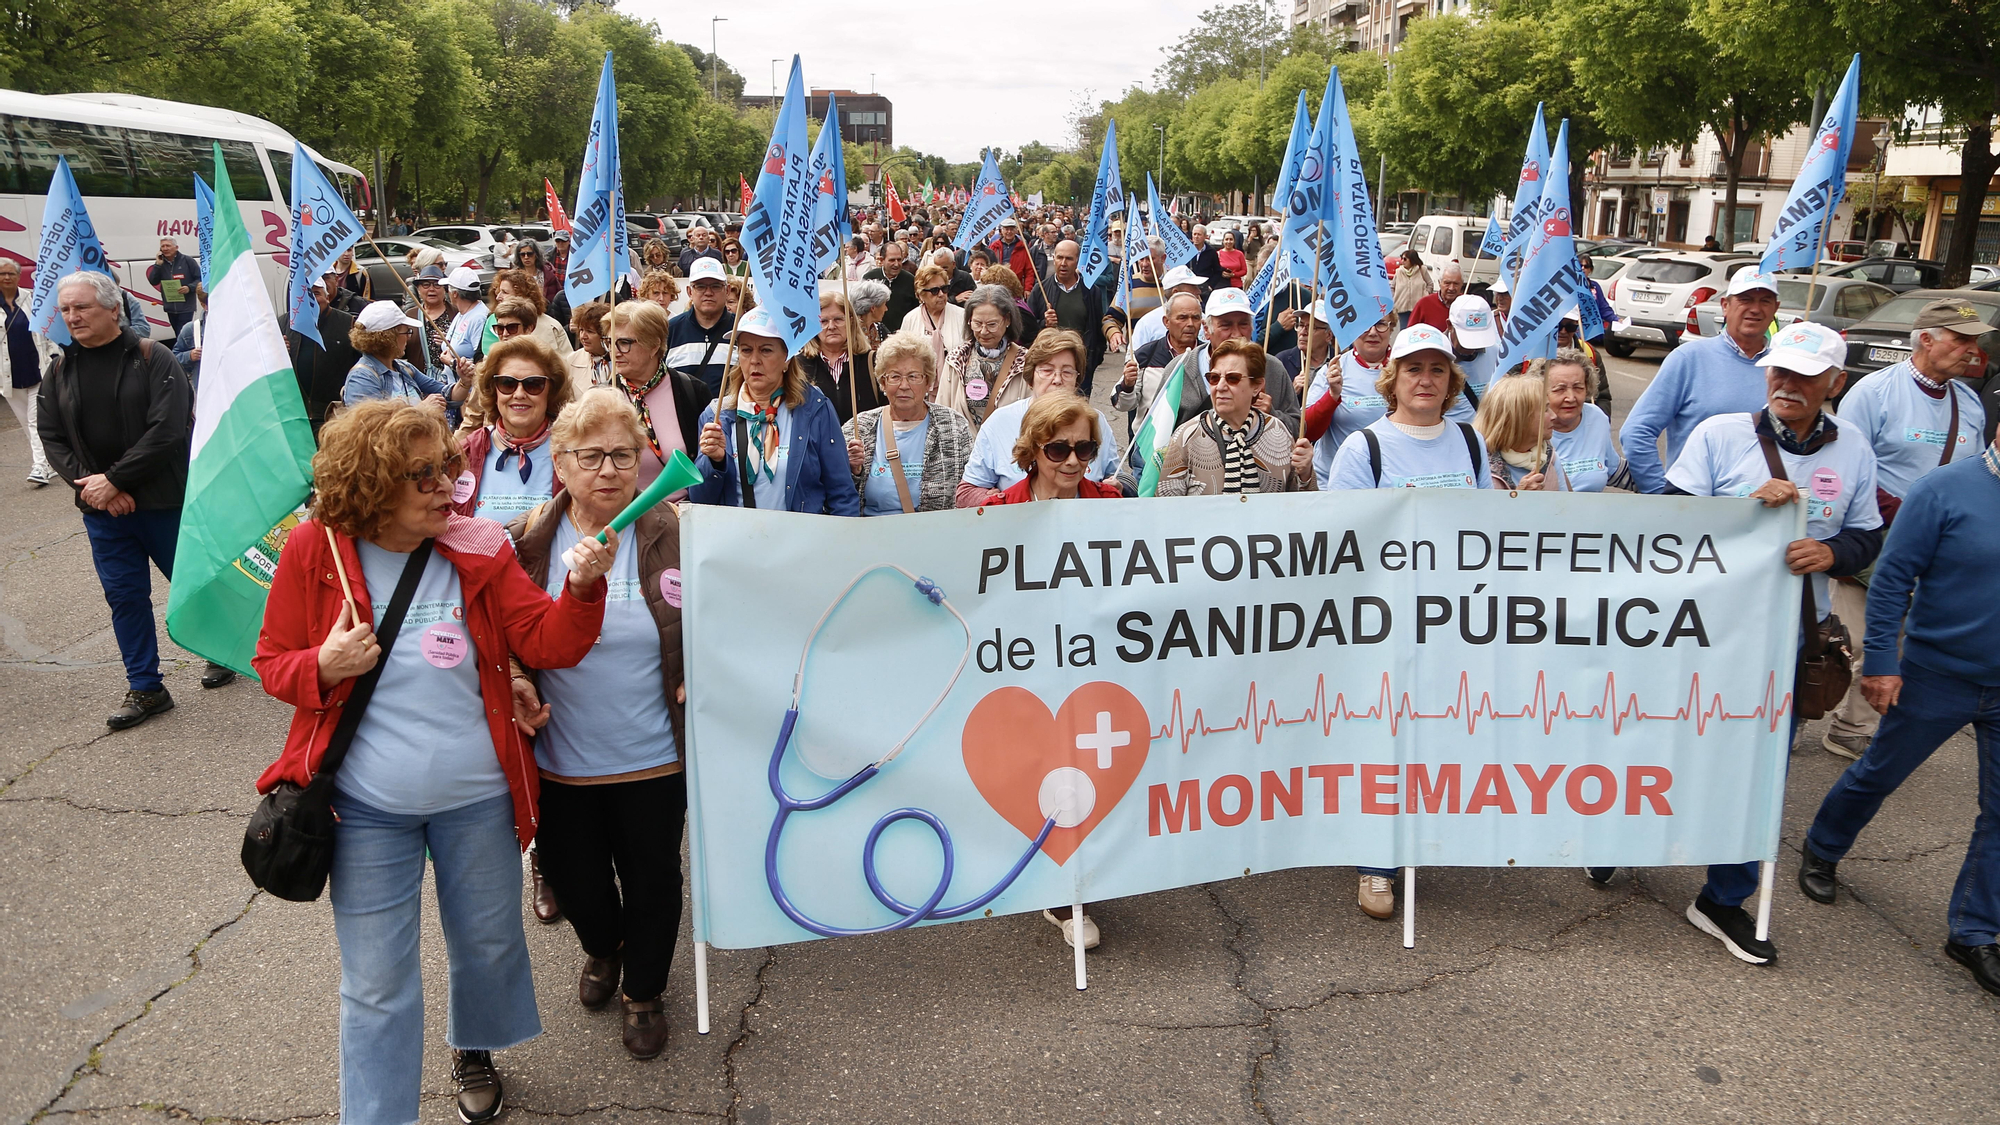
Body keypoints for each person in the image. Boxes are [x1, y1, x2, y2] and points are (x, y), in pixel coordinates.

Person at [252, 398, 613, 1125]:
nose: (445, 484)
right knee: (377, 980)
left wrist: (579, 587)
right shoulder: (314, 550)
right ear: (371, 480)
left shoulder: (477, 545)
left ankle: (473, 1048)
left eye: (446, 465)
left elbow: (545, 643)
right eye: (420, 473)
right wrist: (321, 666)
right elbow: (271, 663)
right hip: (363, 806)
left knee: (485, 942)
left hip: (476, 795)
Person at [1649, 320, 1882, 966]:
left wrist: (1832, 550)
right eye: (1778, 371)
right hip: (1698, 633)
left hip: (1784, 642)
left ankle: (1724, 895)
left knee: (1756, 772)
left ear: (1834, 383)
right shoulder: (1720, 435)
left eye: (1805, 376)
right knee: (1665, 741)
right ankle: (1620, 840)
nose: (1787, 384)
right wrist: (1746, 510)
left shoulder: (1854, 448)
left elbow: (1867, 535)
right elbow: (1666, 527)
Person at [502, 388, 689, 1057]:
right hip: (561, 758)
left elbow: (718, 618)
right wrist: (519, 677)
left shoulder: (673, 531)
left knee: (653, 878)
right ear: (560, 459)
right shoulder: (526, 539)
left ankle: (642, 990)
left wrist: (703, 668)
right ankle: (603, 946)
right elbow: (497, 637)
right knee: (576, 882)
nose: (609, 469)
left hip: (654, 756)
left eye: (623, 454)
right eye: (592, 456)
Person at [1795, 419, 2000, 997]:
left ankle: (1975, 931)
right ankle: (1824, 845)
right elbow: (1890, 581)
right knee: (1880, 772)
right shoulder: (1944, 491)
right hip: (1938, 675)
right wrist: (1882, 661)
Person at [1325, 322, 1491, 918]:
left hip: (1452, 622)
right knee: (1384, 739)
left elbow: (1486, 535)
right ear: (1392, 378)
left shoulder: (1472, 444)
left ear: (1451, 381)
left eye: (1438, 370)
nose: (1426, 380)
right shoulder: (1363, 448)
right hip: (1385, 625)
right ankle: (1376, 862)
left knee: (1436, 733)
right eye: (1414, 369)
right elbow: (1342, 543)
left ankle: (1421, 836)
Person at [36, 270, 238, 723]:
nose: (72, 316)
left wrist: (117, 480)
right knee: (125, 597)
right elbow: (52, 437)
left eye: (81, 307)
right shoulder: (60, 368)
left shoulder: (154, 357)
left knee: (194, 586)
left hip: (164, 502)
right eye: (66, 309)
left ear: (113, 308)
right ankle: (146, 688)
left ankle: (222, 651)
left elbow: (166, 431)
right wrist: (96, 487)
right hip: (102, 511)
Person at [1820, 299, 1992, 758]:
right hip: (1876, 536)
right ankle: (1823, 715)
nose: (1971, 349)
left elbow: (1975, 471)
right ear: (1927, 340)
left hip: (1943, 543)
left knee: (1903, 636)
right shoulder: (1873, 392)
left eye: (1974, 341)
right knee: (1855, 634)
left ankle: (1863, 724)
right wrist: (1900, 513)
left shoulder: (1968, 403)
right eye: (1961, 339)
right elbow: (1845, 466)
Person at [1619, 269, 1779, 494]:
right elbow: (1637, 432)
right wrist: (1662, 494)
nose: (1755, 308)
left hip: (1763, 513)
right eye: (1745, 299)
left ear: (1775, 309)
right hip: (1694, 513)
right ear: (1725, 305)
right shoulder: (1689, 358)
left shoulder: (1783, 370)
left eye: (1765, 301)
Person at [689, 307, 860, 515]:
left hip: (801, 542)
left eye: (766, 350)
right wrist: (714, 462)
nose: (754, 360)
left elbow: (841, 492)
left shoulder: (815, 409)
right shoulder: (716, 415)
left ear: (787, 358)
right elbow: (699, 499)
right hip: (738, 542)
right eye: (746, 350)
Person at [957, 331, 1121, 506]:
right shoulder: (999, 423)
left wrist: (1120, 486)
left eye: (1067, 372)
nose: (1057, 379)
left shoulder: (1094, 420)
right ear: (1030, 377)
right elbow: (965, 493)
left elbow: (1117, 473)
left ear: (1077, 379)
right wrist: (998, 503)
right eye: (1047, 370)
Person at [1154, 338, 1315, 496]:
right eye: (1214, 378)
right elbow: (1166, 510)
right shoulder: (1186, 437)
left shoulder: (1279, 432)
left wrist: (1306, 473)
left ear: (1257, 386)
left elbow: (1302, 507)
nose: (1221, 387)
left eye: (1233, 379)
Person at [842, 332, 974, 514]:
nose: (904, 385)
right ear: (883, 382)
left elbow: (970, 489)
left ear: (928, 381)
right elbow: (837, 496)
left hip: (933, 535)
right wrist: (853, 471)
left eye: (913, 376)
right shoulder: (858, 428)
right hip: (871, 536)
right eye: (895, 377)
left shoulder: (953, 427)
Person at [452, 335, 575, 523]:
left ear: (551, 390)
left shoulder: (574, 452)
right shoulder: (466, 451)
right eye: (507, 384)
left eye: (533, 384)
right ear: (494, 390)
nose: (519, 394)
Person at [604, 300, 708, 490]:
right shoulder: (601, 398)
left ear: (654, 345)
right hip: (621, 515)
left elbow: (707, 465)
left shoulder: (692, 391)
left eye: (624, 343)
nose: (615, 352)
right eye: (610, 343)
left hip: (679, 513)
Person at [1026, 240, 1127, 396]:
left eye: (1069, 258)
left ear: (1078, 261)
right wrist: (1044, 324)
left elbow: (1097, 326)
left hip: (1080, 366)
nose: (1063, 263)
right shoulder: (1041, 289)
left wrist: (1094, 359)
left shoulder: (1091, 291)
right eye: (1059, 258)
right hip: (1050, 365)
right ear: (1054, 258)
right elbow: (1027, 329)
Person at [983, 392, 1120, 506]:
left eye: (1083, 448)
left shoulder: (1109, 502)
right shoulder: (999, 510)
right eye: (1058, 450)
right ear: (1033, 449)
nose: (1073, 461)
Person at [935, 285, 1028, 431]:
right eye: (977, 324)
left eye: (992, 324)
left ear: (1007, 320)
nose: (984, 332)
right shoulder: (956, 359)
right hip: (964, 451)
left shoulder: (1025, 362)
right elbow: (941, 414)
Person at [343, 301, 461, 411]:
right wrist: (420, 408)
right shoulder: (362, 377)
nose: (408, 337)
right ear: (387, 338)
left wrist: (464, 382)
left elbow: (447, 394)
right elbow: (370, 426)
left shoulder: (404, 367)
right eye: (406, 332)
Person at [1112, 291, 1204, 431]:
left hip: (1196, 442)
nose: (1190, 324)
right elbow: (1122, 405)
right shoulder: (1146, 355)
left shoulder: (1209, 356)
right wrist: (1127, 385)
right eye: (1182, 318)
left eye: (1195, 318)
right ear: (1166, 322)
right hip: (1151, 443)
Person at [0, 258, 55, 485]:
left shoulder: (32, 298)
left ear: (18, 275)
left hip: (37, 371)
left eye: (11, 273)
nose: (6, 278)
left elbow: (47, 329)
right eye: (2, 274)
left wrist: (54, 354)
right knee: (27, 424)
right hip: (9, 377)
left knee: (35, 422)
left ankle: (40, 467)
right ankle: (50, 463)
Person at [1541, 349, 1622, 492]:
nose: (1571, 398)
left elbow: (1614, 470)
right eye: (1560, 389)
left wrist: (1662, 487)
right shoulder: (1528, 425)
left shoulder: (1596, 417)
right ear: (1540, 391)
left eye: (1578, 388)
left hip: (1591, 512)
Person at [799, 290, 883, 425]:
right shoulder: (800, 366)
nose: (831, 326)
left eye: (838, 319)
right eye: (824, 321)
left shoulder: (873, 363)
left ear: (850, 321)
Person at [290, 280, 363, 434]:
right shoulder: (284, 323)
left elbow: (364, 364)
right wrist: (279, 350)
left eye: (316, 293)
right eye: (304, 294)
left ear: (327, 297)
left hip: (335, 417)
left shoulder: (348, 323)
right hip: (297, 418)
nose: (309, 299)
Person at [1474, 372, 1564, 490]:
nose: (1554, 416)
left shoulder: (1548, 455)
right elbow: (1478, 508)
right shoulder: (1478, 460)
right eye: (1545, 409)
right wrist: (1519, 497)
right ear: (1519, 418)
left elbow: (1568, 506)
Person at [1125, 265, 1206, 355]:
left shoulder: (1206, 320)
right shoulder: (1147, 323)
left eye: (1195, 318)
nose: (1198, 291)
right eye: (1193, 287)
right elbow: (1133, 358)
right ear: (1176, 293)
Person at [1445, 293, 1502, 420]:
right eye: (1468, 339)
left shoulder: (1496, 353)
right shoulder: (1435, 356)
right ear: (1450, 326)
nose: (1472, 349)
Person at [902, 262, 969, 369]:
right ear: (921, 295)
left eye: (944, 289)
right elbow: (904, 356)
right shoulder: (910, 319)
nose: (941, 294)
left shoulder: (962, 316)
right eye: (934, 291)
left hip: (955, 380)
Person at [491, 269, 571, 357]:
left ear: (522, 295)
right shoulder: (492, 320)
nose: (498, 297)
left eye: (505, 292)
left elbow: (562, 364)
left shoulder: (549, 327)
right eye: (500, 329)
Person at [145, 238, 201, 334]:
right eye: (163, 246)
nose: (165, 248)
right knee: (177, 333)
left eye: (168, 246)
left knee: (183, 334)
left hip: (186, 307)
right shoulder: (161, 263)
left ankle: (186, 349)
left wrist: (189, 288)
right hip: (170, 307)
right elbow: (153, 281)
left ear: (176, 247)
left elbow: (200, 279)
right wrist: (158, 265)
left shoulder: (188, 261)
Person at [864, 242, 917, 333]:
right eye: (892, 260)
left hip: (903, 336)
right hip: (875, 336)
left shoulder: (911, 280)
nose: (896, 264)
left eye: (899, 260)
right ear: (881, 260)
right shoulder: (869, 279)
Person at [567, 299, 613, 388]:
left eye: (590, 331)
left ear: (605, 334)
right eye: (581, 330)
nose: (583, 336)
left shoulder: (621, 359)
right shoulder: (572, 360)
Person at [170, 286, 209, 385]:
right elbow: (174, 357)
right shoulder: (191, 329)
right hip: (204, 385)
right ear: (203, 305)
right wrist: (189, 356)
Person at [1407, 262, 1461, 332]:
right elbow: (1409, 333)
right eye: (1447, 283)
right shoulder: (1424, 304)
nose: (1451, 288)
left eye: (1456, 284)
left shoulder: (1467, 305)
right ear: (1439, 283)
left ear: (1462, 284)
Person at [990, 217, 1038, 289]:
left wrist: (1028, 288)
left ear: (1016, 230)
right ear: (1002, 231)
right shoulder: (994, 246)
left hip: (1016, 286)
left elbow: (1029, 270)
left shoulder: (1023, 247)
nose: (1009, 232)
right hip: (997, 285)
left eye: (1011, 229)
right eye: (1006, 229)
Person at [847, 278, 892, 344]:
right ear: (873, 308)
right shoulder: (850, 330)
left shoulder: (880, 328)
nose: (886, 309)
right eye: (884, 304)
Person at [1188, 225, 1223, 296]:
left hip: (1204, 289)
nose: (1196, 237)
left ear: (1205, 236)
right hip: (1189, 287)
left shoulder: (1211, 252)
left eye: (1199, 234)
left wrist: (1210, 286)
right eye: (1194, 234)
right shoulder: (1187, 250)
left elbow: (1217, 271)